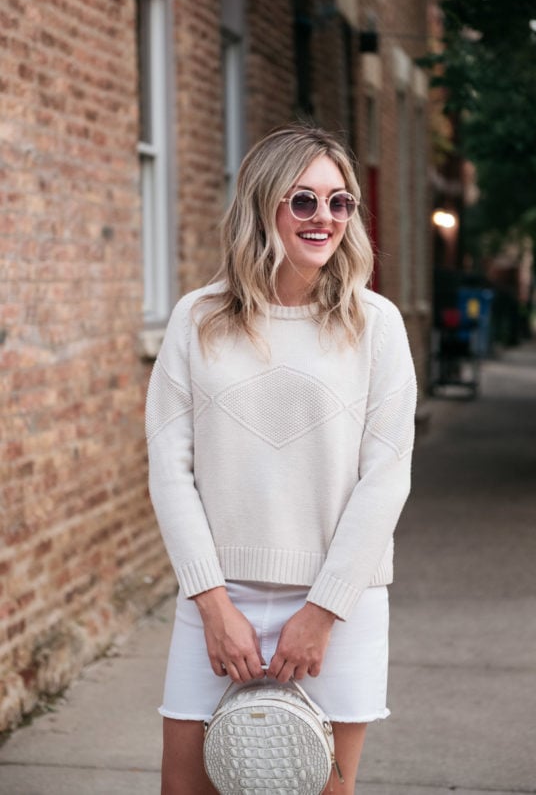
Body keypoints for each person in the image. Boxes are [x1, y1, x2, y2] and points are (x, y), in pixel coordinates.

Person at [145, 124, 417, 794]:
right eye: (303, 200)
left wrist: (321, 612)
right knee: (186, 789)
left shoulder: (375, 324)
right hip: (218, 595)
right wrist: (213, 606)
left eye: (340, 202)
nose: (324, 218)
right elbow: (168, 468)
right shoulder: (196, 319)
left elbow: (386, 478)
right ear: (264, 205)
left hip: (338, 604)